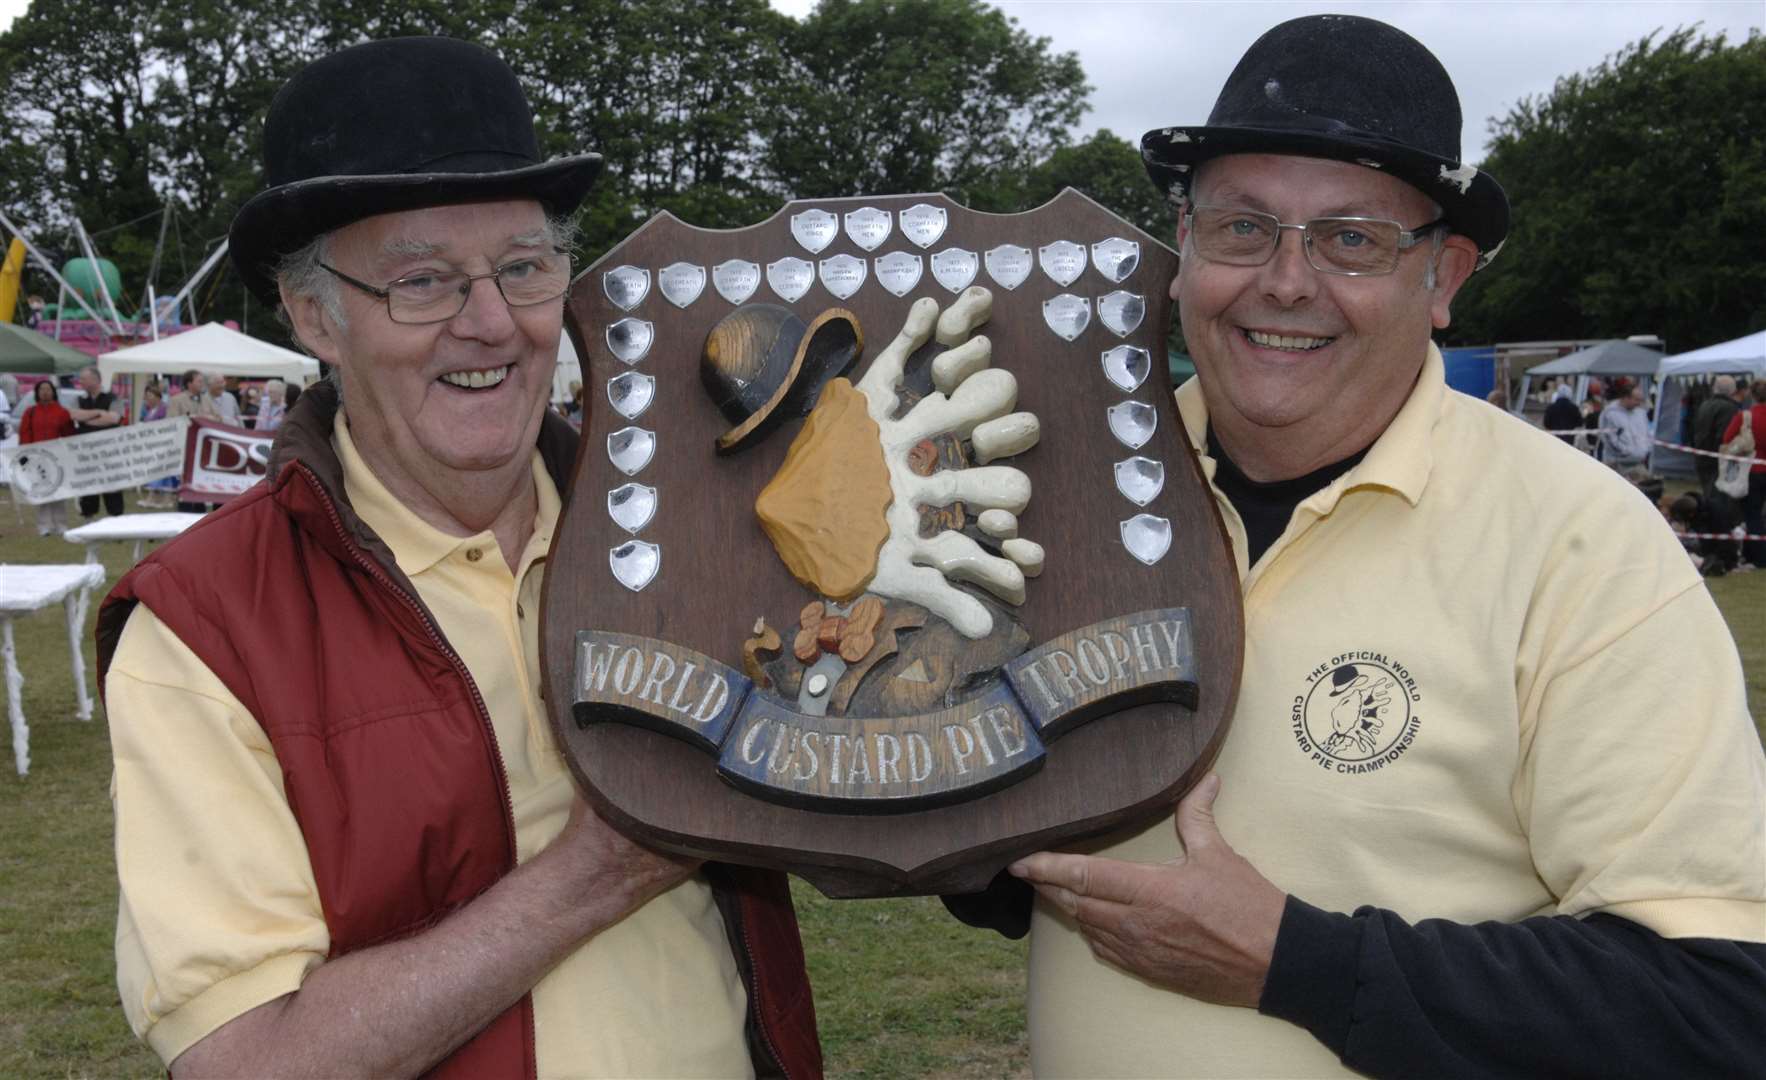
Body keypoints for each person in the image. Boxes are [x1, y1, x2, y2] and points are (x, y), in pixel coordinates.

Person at [962, 16, 1764, 1078]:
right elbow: (1019, 854)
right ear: (1180, 249)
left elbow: (1715, 1003)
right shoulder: (1062, 498)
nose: (1284, 282)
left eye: (1350, 240)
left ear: (1442, 280)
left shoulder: (1579, 544)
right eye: (1241, 228)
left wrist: (1297, 963)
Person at [97, 36, 819, 1079]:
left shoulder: (688, 533)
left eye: (523, 268)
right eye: (422, 282)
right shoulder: (206, 624)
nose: (490, 324)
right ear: (316, 317)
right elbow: (243, 1060)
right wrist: (603, 869)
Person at [18, 379, 75, 534]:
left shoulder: (62, 412)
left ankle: (61, 524)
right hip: (37, 460)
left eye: (48, 389)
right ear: (37, 392)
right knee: (41, 491)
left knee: (59, 491)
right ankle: (44, 526)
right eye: (42, 389)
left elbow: (69, 435)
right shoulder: (30, 412)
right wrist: (25, 457)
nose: (45, 392)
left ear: (53, 392)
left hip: (57, 460)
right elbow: (25, 434)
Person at [1720, 378, 1766, 567]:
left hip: (1752, 470)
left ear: (1752, 395)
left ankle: (1759, 557)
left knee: (1752, 515)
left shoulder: (1745, 416)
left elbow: (1727, 439)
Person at [70, 364, 125, 519]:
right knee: (88, 488)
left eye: (83, 379)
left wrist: (87, 420)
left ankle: (116, 522)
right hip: (86, 452)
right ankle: (88, 518)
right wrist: (98, 413)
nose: (80, 382)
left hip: (109, 451)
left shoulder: (113, 398)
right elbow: (74, 415)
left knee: (112, 488)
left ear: (95, 380)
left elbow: (114, 418)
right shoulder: (78, 399)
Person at [1695, 374, 1745, 494]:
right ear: (1733, 390)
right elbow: (1724, 436)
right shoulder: (1729, 408)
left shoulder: (1705, 404)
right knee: (1717, 497)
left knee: (1708, 491)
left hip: (1701, 454)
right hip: (1717, 458)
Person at [1598, 384, 1652, 470]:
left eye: (1640, 400)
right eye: (1636, 400)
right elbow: (1608, 438)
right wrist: (1626, 452)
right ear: (1626, 398)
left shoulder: (1641, 413)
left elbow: (1647, 433)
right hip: (1616, 464)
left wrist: (1646, 449)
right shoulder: (1610, 413)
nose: (1639, 403)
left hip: (1639, 462)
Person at [1542, 381, 1581, 446]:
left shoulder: (1551, 408)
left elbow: (1546, 423)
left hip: (1554, 437)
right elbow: (1579, 423)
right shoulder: (1574, 408)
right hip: (1569, 438)